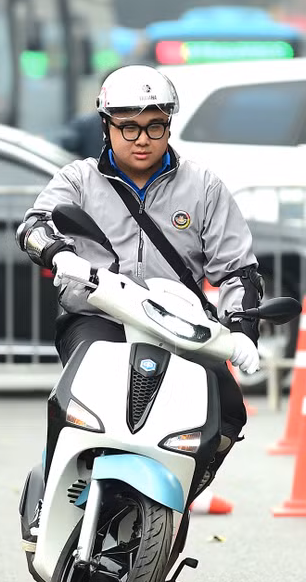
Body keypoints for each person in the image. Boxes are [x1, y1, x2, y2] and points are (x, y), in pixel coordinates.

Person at [15, 64, 263, 534]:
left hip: (180, 325)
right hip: (97, 314)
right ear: (107, 125)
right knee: (78, 396)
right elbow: (32, 225)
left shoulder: (204, 186)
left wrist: (243, 329)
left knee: (227, 411)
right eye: (128, 126)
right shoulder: (79, 179)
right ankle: (51, 498)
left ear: (169, 125)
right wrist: (57, 253)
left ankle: (174, 502)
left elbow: (238, 269)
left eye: (155, 125)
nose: (142, 138)